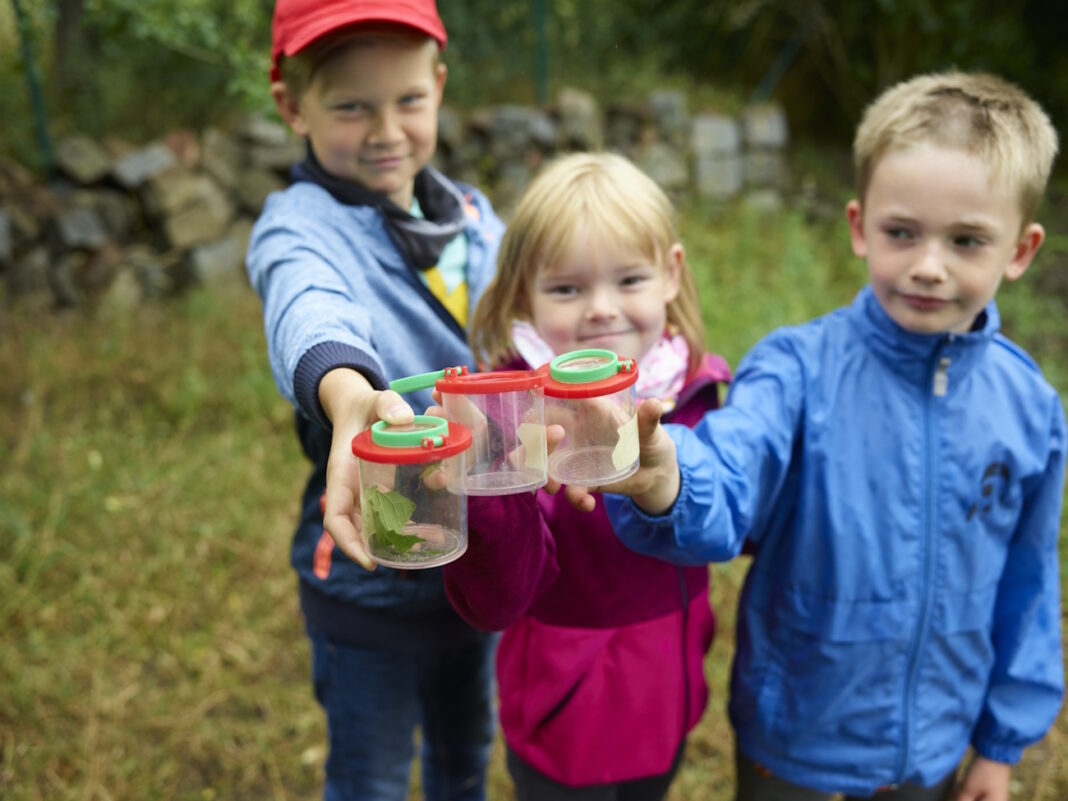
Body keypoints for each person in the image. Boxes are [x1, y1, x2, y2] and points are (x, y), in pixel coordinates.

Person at [597, 72, 1066, 801]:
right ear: (858, 225)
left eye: (967, 239)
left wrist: (999, 745)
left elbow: (1027, 584)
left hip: (936, 747)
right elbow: (729, 463)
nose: (929, 265)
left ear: (1020, 249)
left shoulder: (1029, 406)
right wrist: (665, 474)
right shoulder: (796, 370)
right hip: (793, 747)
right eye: (901, 232)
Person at [245, 1, 505, 798]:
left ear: (440, 87)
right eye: (352, 105)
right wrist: (348, 389)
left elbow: (527, 321)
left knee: (465, 758)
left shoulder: (474, 218)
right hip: (369, 585)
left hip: (477, 566)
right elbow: (307, 301)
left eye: (408, 101)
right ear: (294, 106)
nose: (385, 129)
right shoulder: (301, 226)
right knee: (373, 776)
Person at [437, 152, 733, 801]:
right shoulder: (506, 414)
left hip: (665, 693)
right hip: (561, 710)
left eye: (629, 279)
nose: (601, 310)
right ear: (523, 293)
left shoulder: (697, 389)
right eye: (567, 288)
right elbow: (496, 598)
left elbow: (729, 523)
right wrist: (495, 493)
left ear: (670, 275)